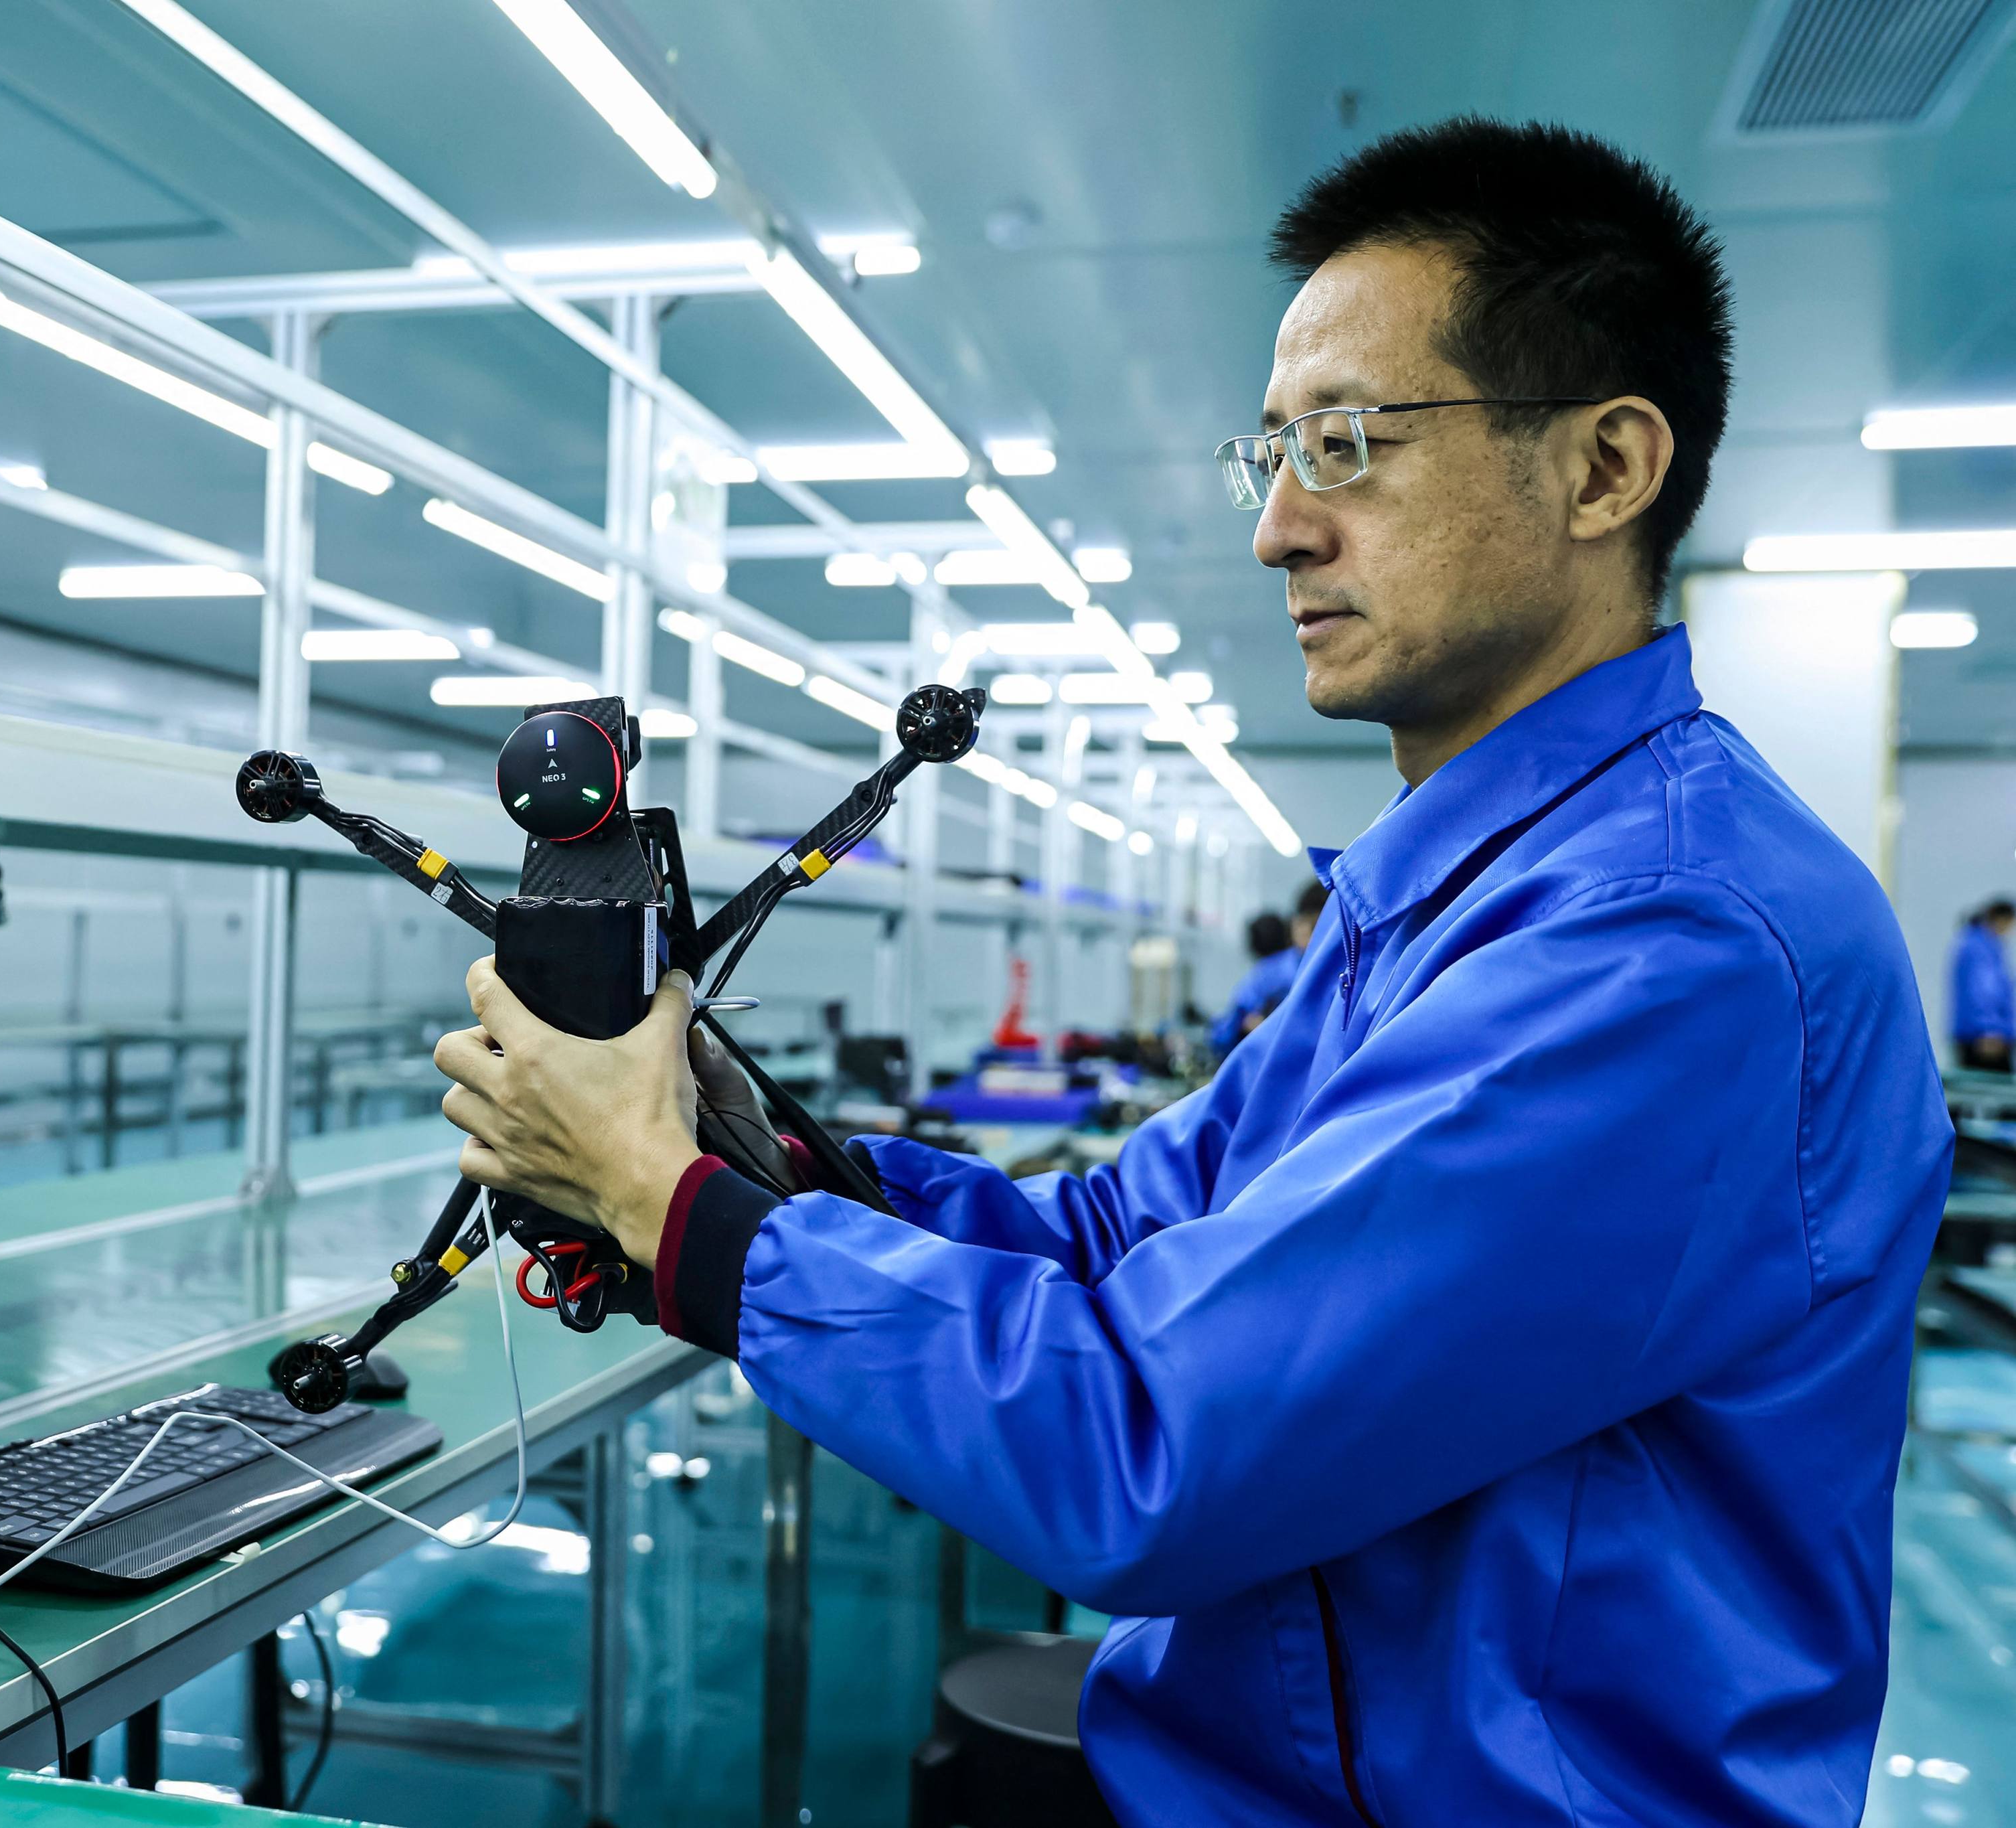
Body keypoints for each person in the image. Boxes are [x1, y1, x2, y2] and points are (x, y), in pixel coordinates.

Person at [434, 117, 1950, 1826]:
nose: (1279, 531)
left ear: (1605, 470)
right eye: (1274, 454)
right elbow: (1119, 1247)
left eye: (1355, 444)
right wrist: (752, 1160)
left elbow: (1154, 1443)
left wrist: (677, 1214)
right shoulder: (1453, 905)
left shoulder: (1669, 952)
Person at [1208, 881, 1328, 1056]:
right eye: (1302, 922)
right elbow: (1232, 1027)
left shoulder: (1343, 973)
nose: (1306, 933)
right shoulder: (1273, 972)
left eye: (1316, 925)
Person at [1956, 897, 2016, 1071]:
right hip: (1987, 1040)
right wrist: (1989, 1030)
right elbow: (1984, 992)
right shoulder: (1981, 950)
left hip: (1980, 1035)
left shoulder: (1977, 945)